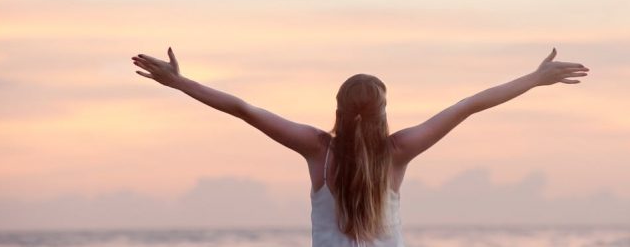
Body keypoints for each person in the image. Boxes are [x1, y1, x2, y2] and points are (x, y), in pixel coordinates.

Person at [131, 47, 588, 246]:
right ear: (384, 111)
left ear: (338, 106)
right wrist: (535, 78)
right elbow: (469, 105)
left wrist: (179, 82)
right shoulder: (400, 149)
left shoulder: (317, 149)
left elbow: (242, 108)